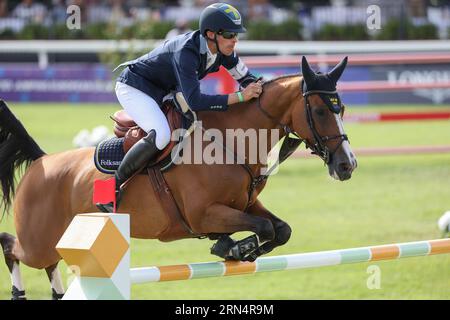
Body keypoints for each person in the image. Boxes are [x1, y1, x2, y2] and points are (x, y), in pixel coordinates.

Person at [98, 3, 263, 212]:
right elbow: (195, 101)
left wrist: (259, 88)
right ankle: (110, 188)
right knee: (162, 136)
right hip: (135, 88)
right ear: (211, 34)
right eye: (230, 34)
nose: (235, 40)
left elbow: (247, 78)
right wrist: (240, 96)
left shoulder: (224, 50)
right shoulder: (187, 52)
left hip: (164, 90)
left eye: (236, 35)